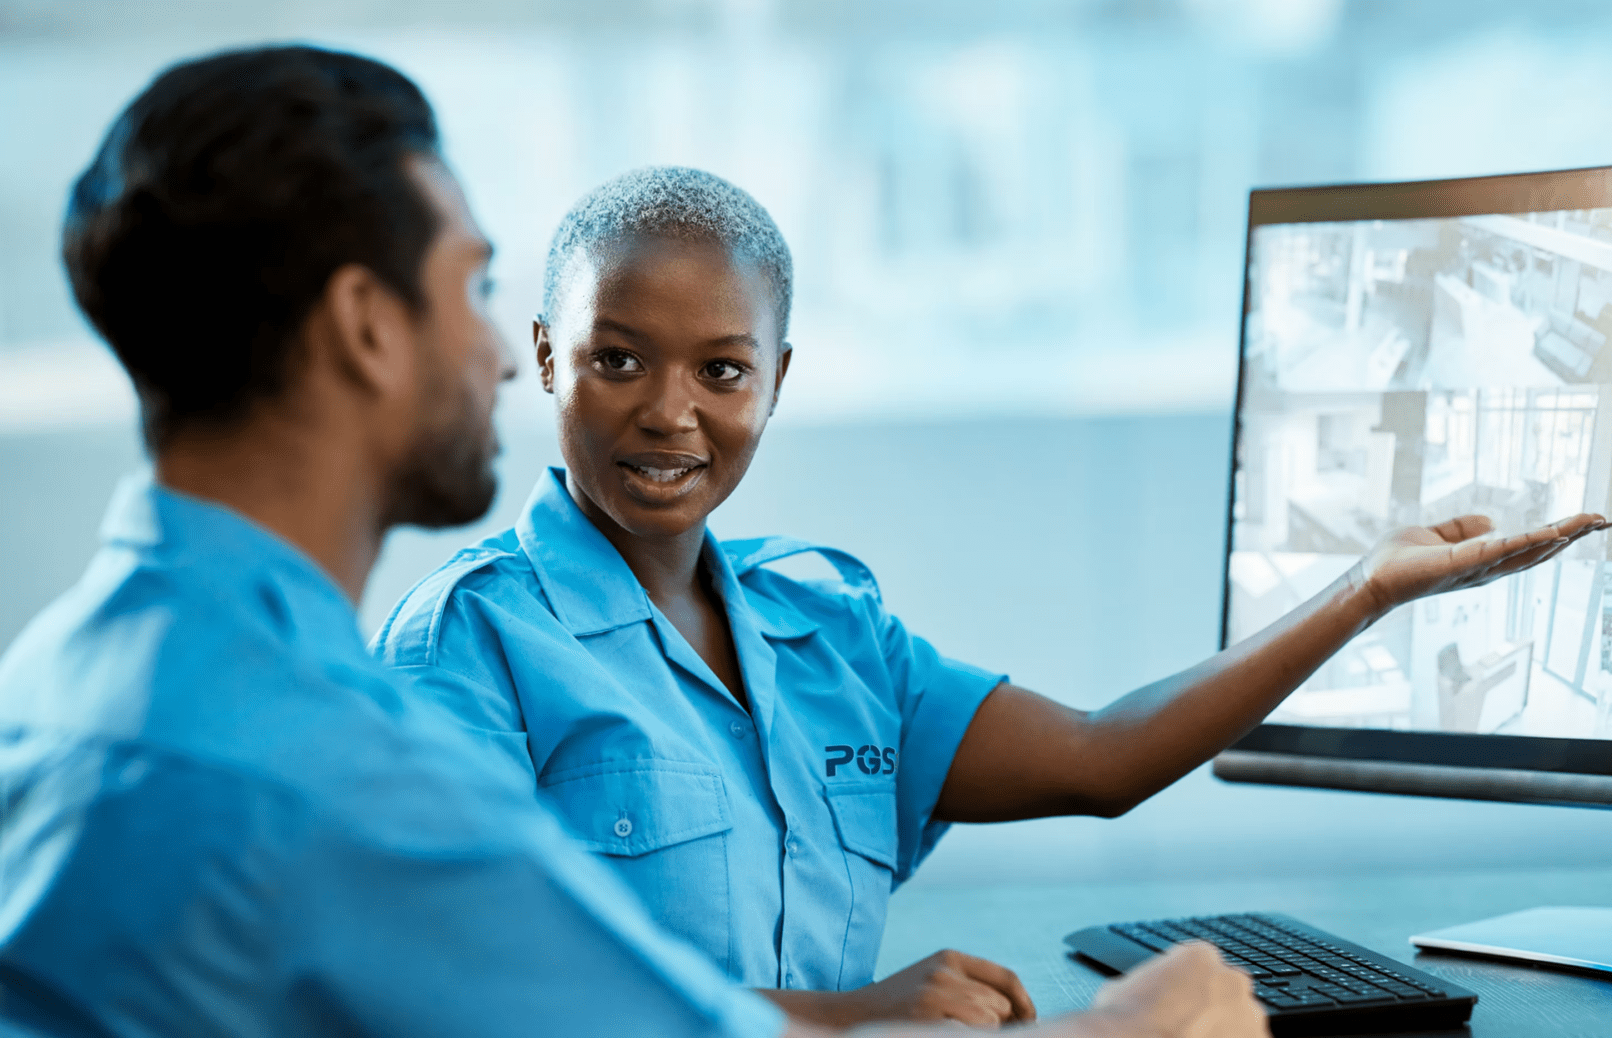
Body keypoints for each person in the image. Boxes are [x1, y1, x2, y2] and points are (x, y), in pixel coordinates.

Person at [0, 45, 1265, 1038]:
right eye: (475, 287)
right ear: (365, 327)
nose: (495, 351)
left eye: (723, 367)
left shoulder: (74, 674)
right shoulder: (320, 759)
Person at [372, 167, 1612, 1026]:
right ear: (546, 355)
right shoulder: (469, 646)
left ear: (778, 379)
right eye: (617, 358)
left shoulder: (826, 628)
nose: (670, 410)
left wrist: (1363, 591)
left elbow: (1099, 756)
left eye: (724, 369)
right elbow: (461, 999)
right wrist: (845, 1020)